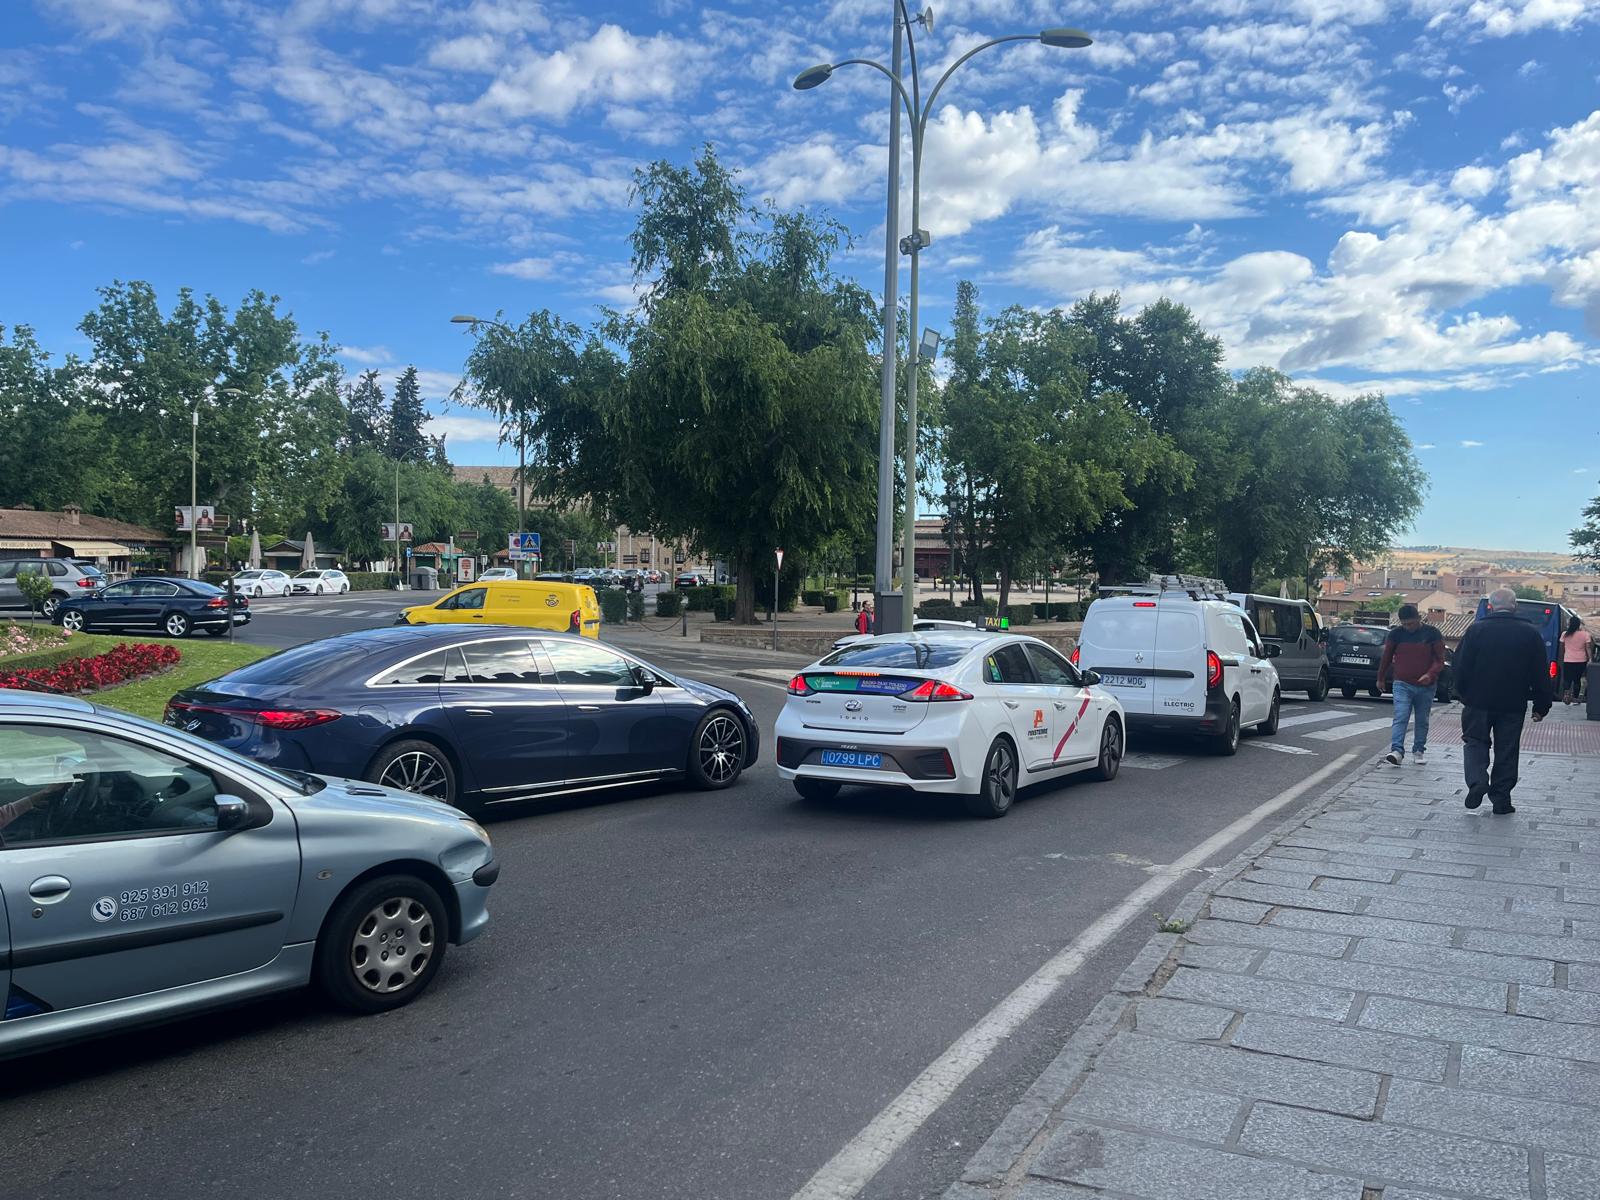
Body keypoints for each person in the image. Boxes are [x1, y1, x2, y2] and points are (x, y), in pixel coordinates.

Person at [1452, 587, 1554, 814]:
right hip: (1512, 703)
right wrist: (1541, 705)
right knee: (1507, 749)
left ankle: (1477, 780)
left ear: (1490, 606)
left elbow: (1460, 667)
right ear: (1514, 606)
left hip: (1477, 701)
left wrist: (1462, 693)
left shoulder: (1476, 630)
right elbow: (1540, 673)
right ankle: (1501, 799)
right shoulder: (1530, 634)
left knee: (1475, 743)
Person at [1377, 604, 1445, 766]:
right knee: (1401, 715)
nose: (1408, 628)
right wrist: (1380, 678)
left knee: (1422, 719)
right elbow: (1386, 657)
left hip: (1426, 686)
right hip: (1402, 683)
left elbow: (1439, 660)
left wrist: (1430, 674)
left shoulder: (1432, 634)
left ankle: (1419, 750)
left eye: (1411, 624)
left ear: (1419, 619)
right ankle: (1397, 751)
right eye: (1405, 624)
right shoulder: (1395, 635)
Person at [1560, 614, 1592, 704]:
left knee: (1567, 679)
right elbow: (1588, 648)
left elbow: (1562, 647)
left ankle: (1566, 695)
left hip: (1568, 660)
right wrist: (1590, 659)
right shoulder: (1585, 634)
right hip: (1581, 660)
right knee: (1577, 679)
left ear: (1570, 624)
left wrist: (1563, 656)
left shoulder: (1565, 634)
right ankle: (1575, 697)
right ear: (1579, 624)